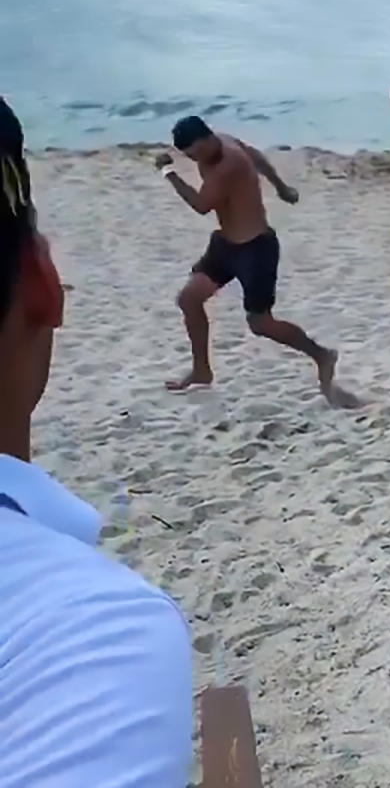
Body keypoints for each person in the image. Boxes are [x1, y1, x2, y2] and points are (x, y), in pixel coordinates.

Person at [0, 97, 193, 786]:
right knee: (198, 302)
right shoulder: (98, 634)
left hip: (250, 245)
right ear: (44, 287)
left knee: (212, 306)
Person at [158, 116, 349, 403]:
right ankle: (201, 371)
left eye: (194, 154)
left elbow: (200, 205)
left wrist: (169, 173)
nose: (193, 159)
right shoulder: (223, 139)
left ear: (206, 139)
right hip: (225, 245)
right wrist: (281, 186)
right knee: (189, 298)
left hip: (255, 249)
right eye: (188, 156)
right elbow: (256, 155)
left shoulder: (227, 164)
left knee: (260, 324)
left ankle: (322, 355)